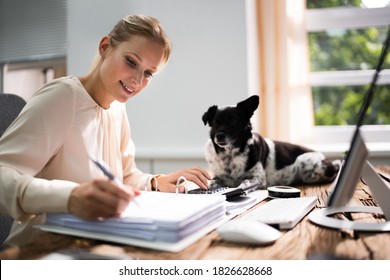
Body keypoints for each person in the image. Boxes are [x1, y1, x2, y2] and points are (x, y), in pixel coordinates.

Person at [0, 15, 211, 247]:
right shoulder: (63, 97)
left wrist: (155, 182)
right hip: (38, 250)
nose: (137, 80)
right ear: (105, 47)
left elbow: (125, 176)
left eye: (149, 73)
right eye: (131, 62)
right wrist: (70, 198)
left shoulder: (117, 107)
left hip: (93, 245)